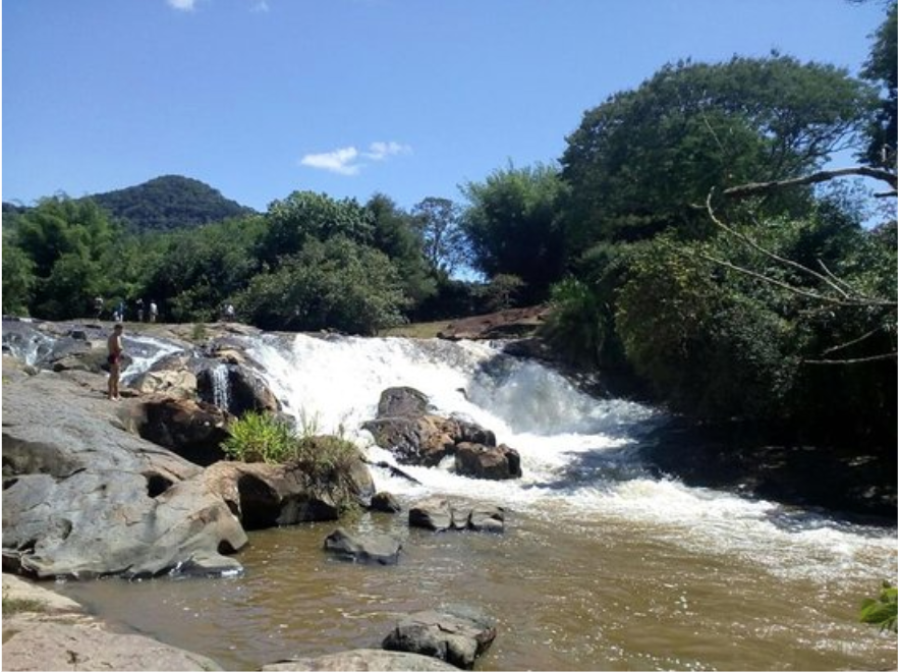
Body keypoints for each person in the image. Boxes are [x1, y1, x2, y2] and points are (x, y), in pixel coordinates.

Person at [107, 323, 125, 401]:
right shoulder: (114, 337)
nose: (121, 331)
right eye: (120, 330)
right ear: (116, 329)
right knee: (113, 376)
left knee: (117, 376)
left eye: (122, 330)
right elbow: (118, 348)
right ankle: (110, 395)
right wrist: (121, 349)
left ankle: (116, 394)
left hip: (116, 357)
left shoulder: (117, 337)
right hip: (114, 357)